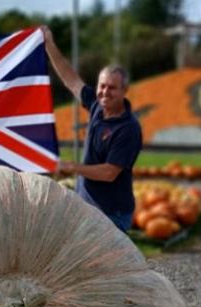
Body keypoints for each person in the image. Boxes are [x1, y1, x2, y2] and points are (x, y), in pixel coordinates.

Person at [41, 26, 142, 232]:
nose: (105, 92)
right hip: (87, 208)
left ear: (125, 90)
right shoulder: (97, 105)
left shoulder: (128, 129)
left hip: (111, 214)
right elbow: (71, 80)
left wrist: (73, 167)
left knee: (103, 265)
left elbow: (108, 173)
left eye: (112, 88)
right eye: (102, 86)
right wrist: (49, 45)